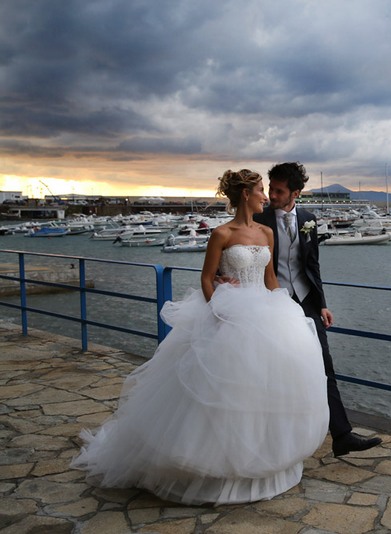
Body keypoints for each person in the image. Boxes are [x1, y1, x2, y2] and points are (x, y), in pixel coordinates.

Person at [71, 169, 329, 506]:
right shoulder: (221, 233)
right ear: (245, 195)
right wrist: (219, 310)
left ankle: (263, 462)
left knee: (263, 389)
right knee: (222, 391)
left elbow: (270, 280)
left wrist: (286, 311)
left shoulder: (266, 231)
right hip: (228, 313)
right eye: (260, 191)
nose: (265, 196)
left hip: (265, 313)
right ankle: (216, 467)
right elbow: (208, 278)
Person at [253, 162, 382, 457]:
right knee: (272, 369)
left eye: (279, 190)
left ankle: (342, 435)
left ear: (295, 193)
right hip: (270, 303)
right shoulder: (258, 218)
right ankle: (275, 435)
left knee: (324, 365)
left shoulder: (309, 219)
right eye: (271, 188)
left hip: (307, 301)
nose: (272, 194)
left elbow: (312, 266)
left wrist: (322, 303)